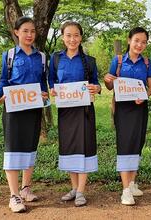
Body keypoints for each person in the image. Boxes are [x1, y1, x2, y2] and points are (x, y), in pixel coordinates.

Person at [0, 16, 48, 213]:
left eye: (32, 31)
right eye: (25, 31)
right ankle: (14, 196)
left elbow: (43, 84)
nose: (30, 35)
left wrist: (45, 95)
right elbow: (3, 81)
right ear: (16, 32)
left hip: (33, 109)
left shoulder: (41, 57)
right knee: (13, 149)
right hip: (14, 109)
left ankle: (25, 189)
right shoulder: (9, 55)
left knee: (29, 147)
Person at [48, 21, 101, 207]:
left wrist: (97, 88)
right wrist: (53, 90)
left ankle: (81, 191)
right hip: (65, 112)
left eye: (76, 35)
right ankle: (73, 187)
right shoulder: (55, 59)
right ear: (63, 37)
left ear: (81, 37)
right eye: (68, 35)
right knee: (69, 148)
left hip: (85, 111)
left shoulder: (90, 61)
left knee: (84, 147)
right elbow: (52, 81)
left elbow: (96, 83)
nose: (72, 39)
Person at [104, 27, 151, 205]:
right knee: (125, 144)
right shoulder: (118, 61)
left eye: (143, 41)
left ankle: (132, 183)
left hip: (140, 108)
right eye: (136, 40)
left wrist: (146, 96)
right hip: (123, 109)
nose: (140, 44)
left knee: (137, 142)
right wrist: (107, 80)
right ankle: (125, 190)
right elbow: (110, 86)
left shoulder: (147, 63)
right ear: (129, 40)